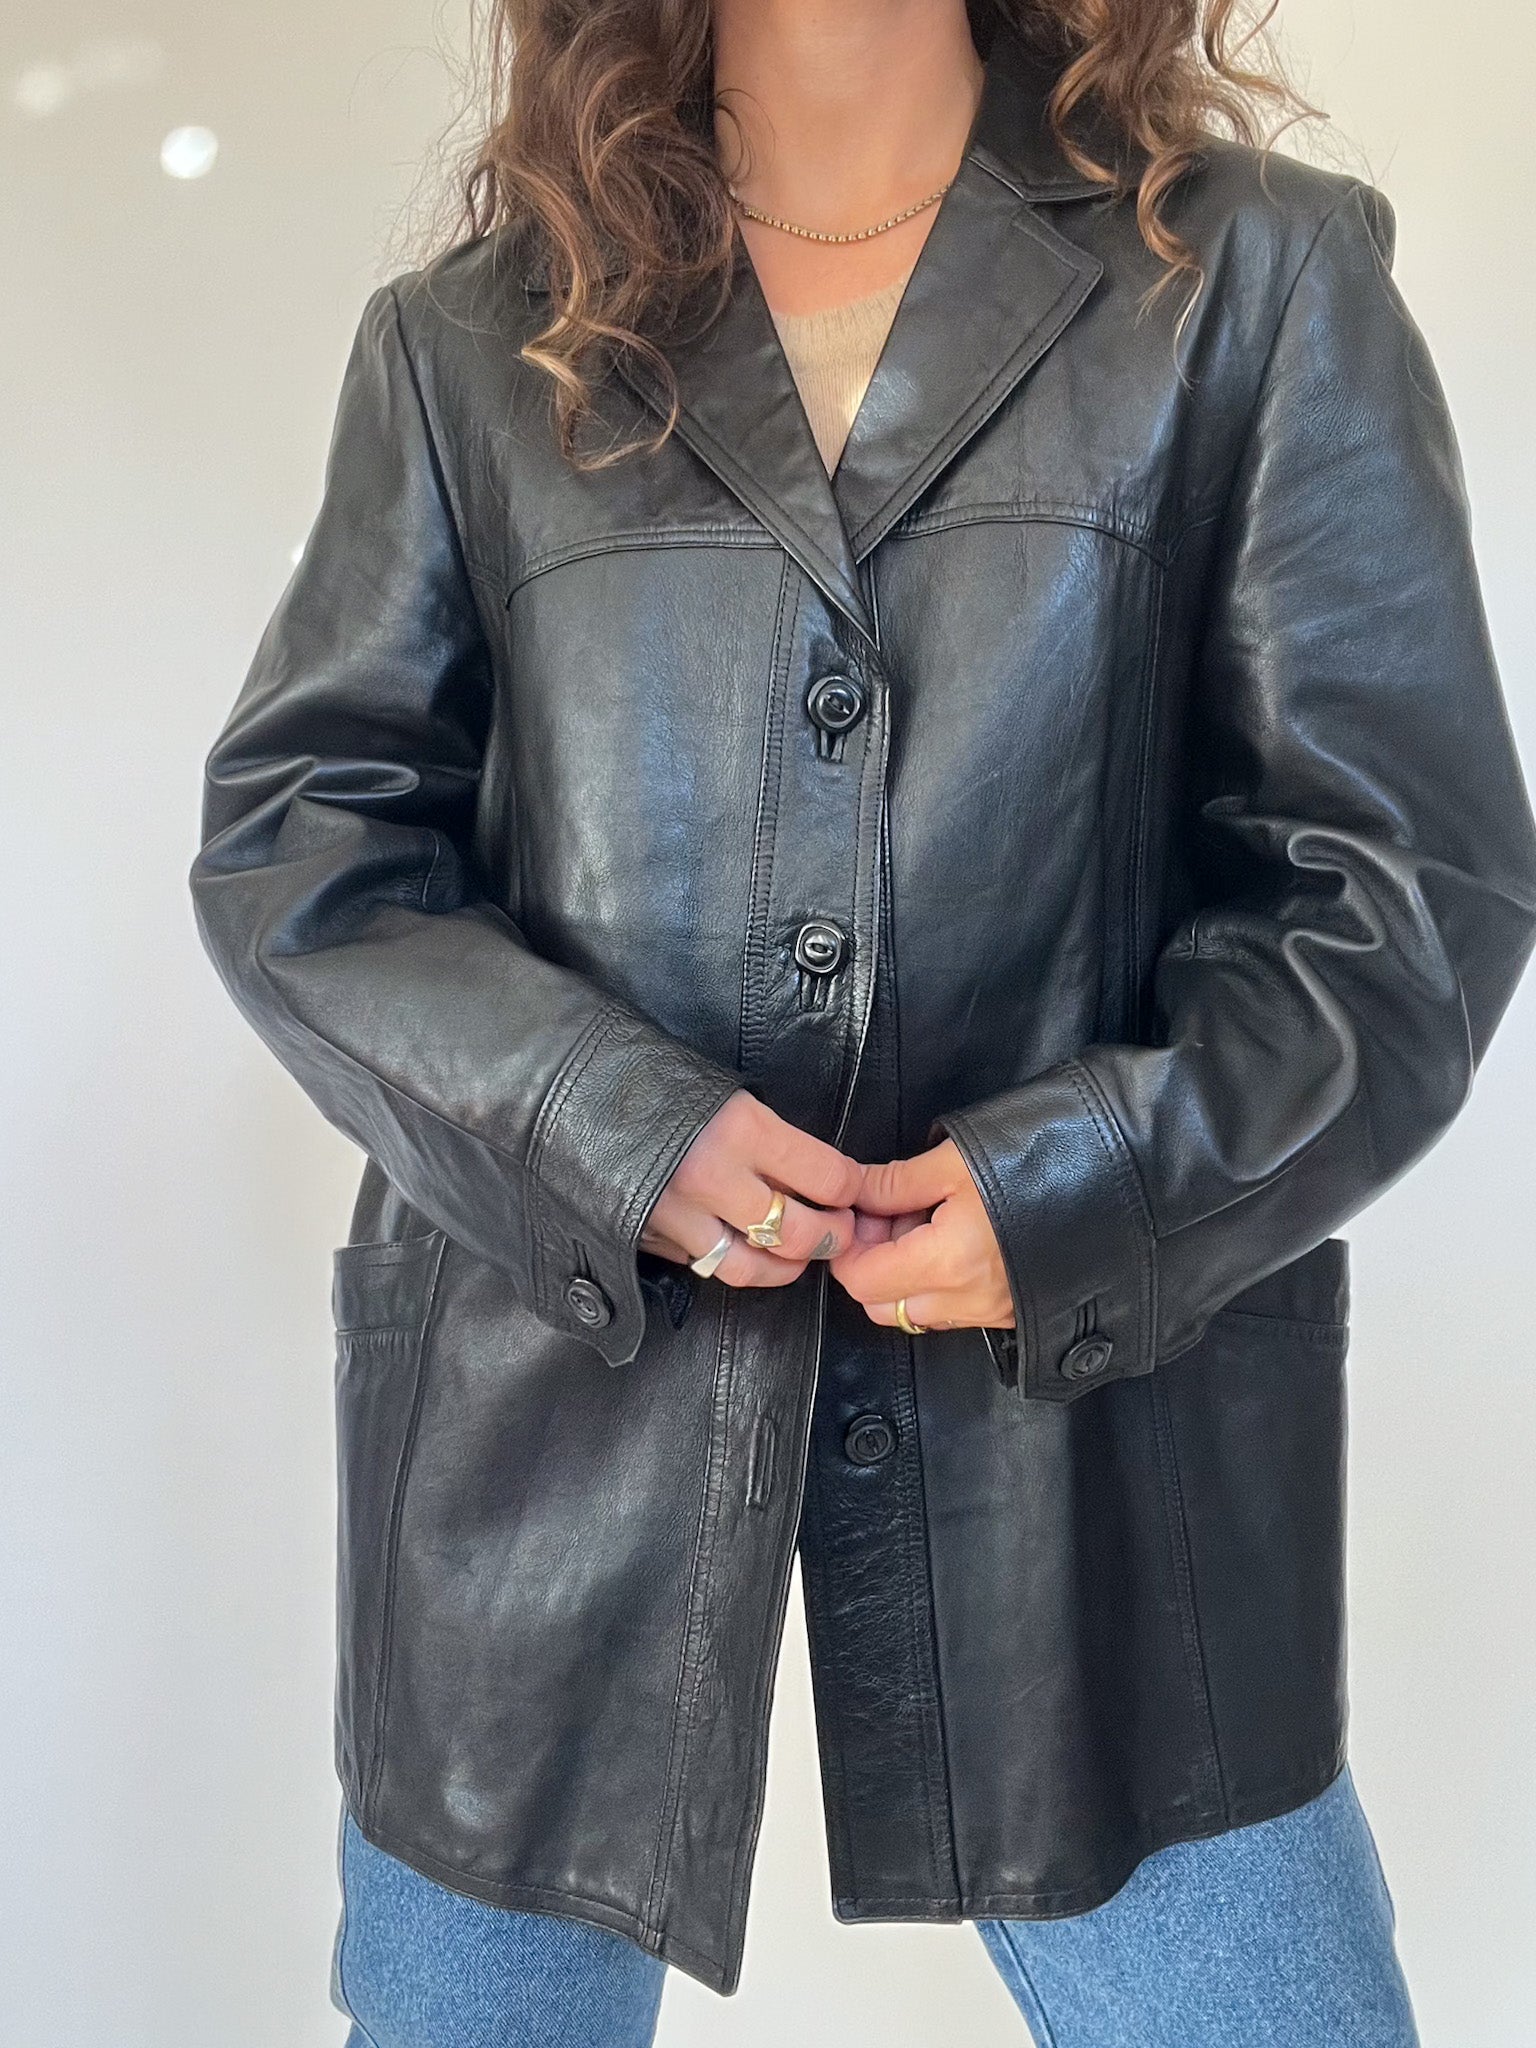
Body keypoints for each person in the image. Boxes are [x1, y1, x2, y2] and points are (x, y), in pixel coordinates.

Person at [187, 1, 1536, 2042]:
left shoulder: (1249, 278)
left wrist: (1089, 1185)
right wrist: (603, 1126)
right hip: (543, 1424)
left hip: (1098, 1432)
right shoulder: (472, 343)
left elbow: (1403, 893)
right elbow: (307, 852)